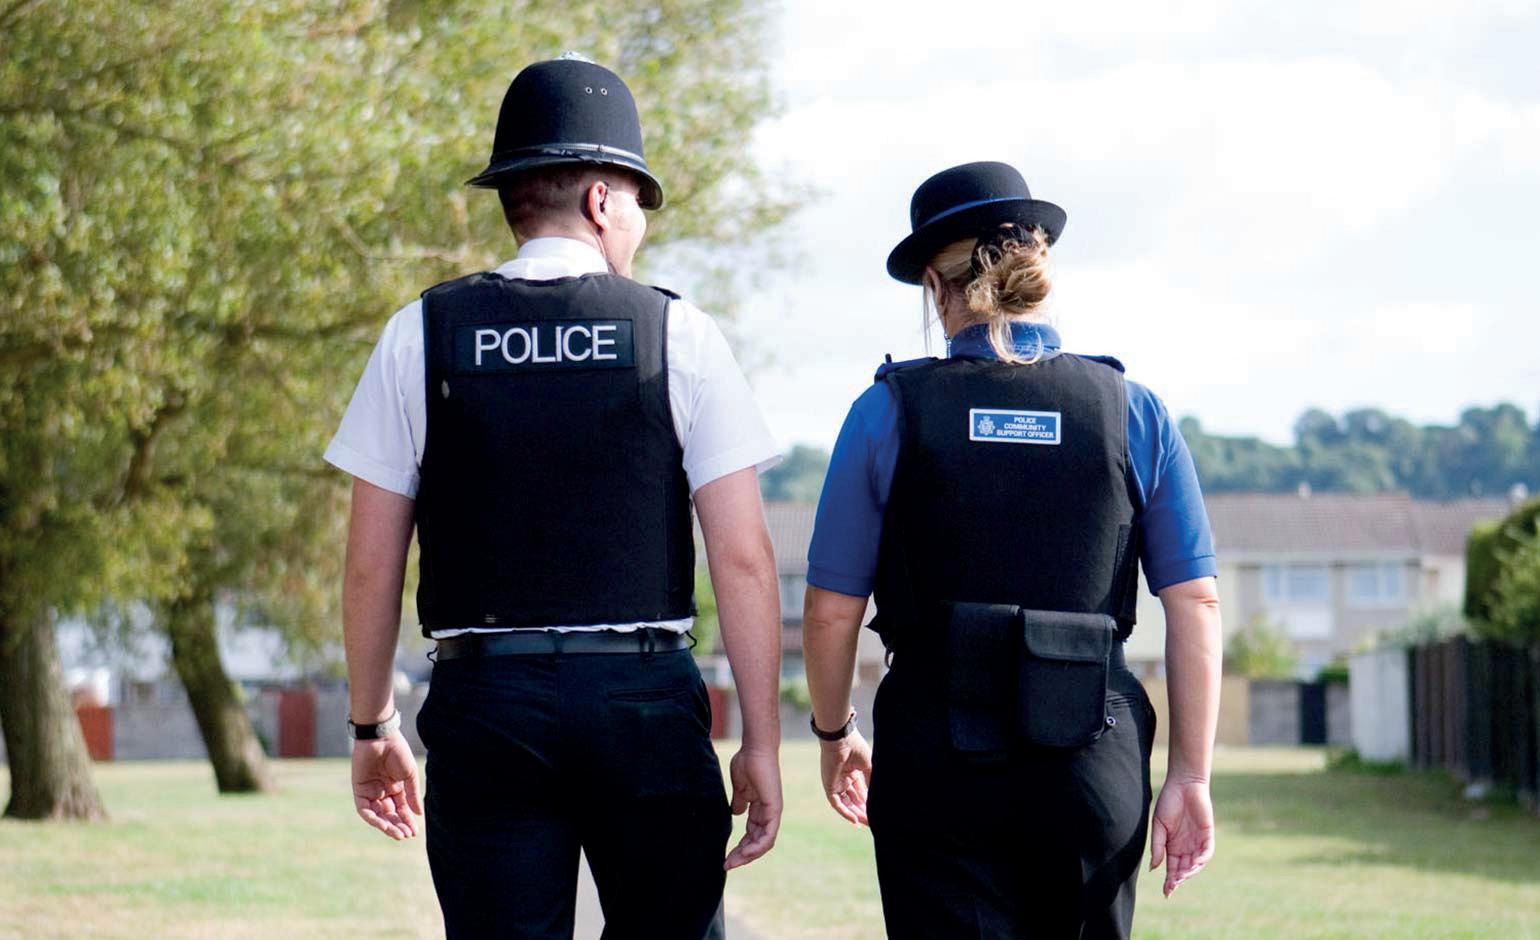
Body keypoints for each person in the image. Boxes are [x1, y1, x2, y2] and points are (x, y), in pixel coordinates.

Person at [325, 55, 784, 939]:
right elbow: (744, 559)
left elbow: (371, 563)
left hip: (486, 706)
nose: (639, 225)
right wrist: (761, 744)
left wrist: (372, 723)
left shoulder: (420, 334)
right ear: (603, 200)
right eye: (639, 203)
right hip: (644, 701)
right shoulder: (677, 333)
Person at [801, 161, 1222, 939]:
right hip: (1092, 757)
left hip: (936, 760)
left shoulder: (885, 412)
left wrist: (835, 734)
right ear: (1039, 270)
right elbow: (1195, 601)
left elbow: (831, 611)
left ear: (935, 286)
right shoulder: (1133, 411)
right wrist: (1190, 774)